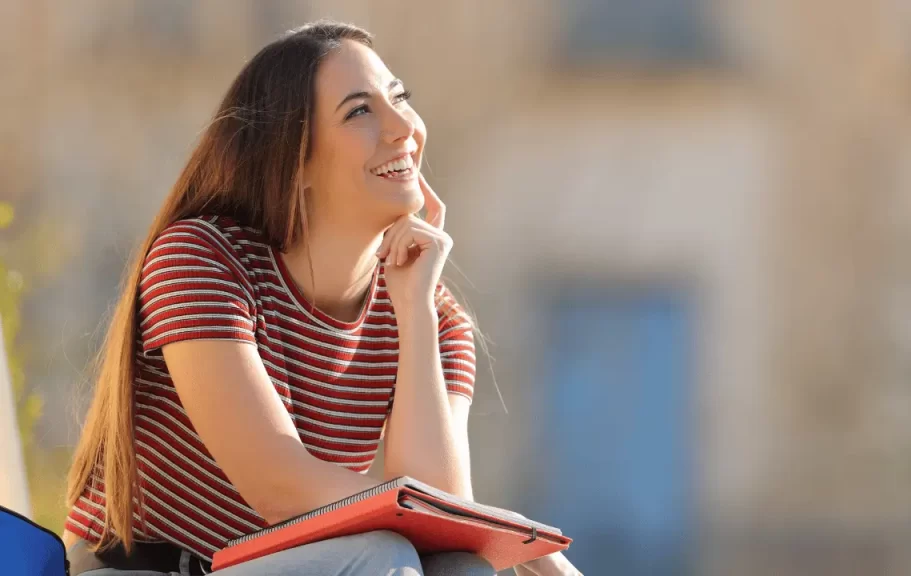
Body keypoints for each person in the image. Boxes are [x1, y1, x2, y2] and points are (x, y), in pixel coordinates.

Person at [60, 20, 581, 576]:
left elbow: (446, 531)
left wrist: (415, 312)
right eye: (360, 112)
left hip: (298, 565)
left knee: (460, 569)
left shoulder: (432, 315)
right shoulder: (202, 258)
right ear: (295, 162)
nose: (403, 127)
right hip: (144, 567)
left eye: (400, 98)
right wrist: (524, 544)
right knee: (385, 554)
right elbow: (279, 487)